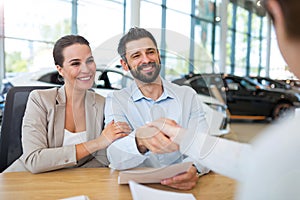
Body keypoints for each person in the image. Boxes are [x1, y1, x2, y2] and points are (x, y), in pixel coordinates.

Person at [149, 0, 300, 199]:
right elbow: (261, 161)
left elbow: (271, 164)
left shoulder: (285, 145)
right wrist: (186, 139)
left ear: (275, 9)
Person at [4, 35, 130, 173]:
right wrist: (98, 142)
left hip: (76, 183)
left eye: (89, 61)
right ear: (60, 69)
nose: (86, 69)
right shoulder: (40, 100)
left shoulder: (101, 103)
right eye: (75, 63)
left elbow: (102, 158)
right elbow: (34, 160)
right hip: (25, 181)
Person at [105, 27, 210, 190]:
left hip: (183, 187)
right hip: (136, 188)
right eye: (136, 55)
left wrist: (194, 169)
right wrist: (140, 141)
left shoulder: (187, 96)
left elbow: (203, 145)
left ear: (159, 56)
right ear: (125, 65)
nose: (146, 60)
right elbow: (115, 155)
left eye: (150, 52)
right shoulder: (116, 100)